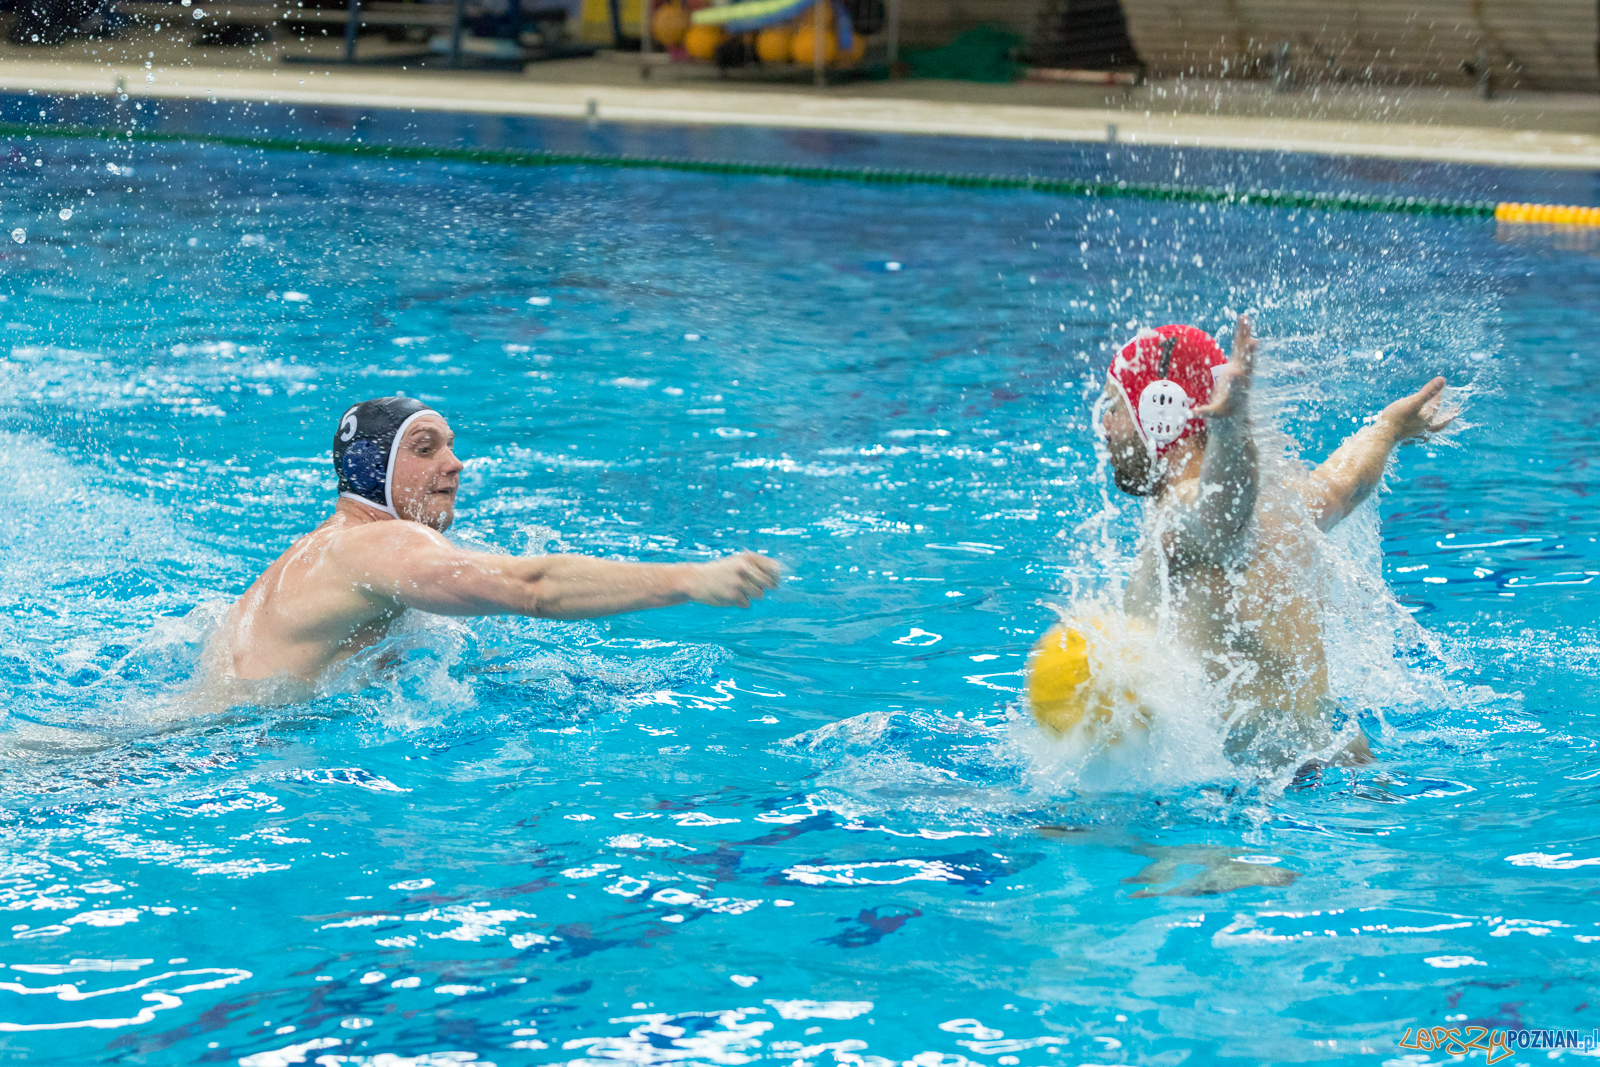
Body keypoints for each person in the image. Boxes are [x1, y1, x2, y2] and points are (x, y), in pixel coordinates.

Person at [1035, 315, 1455, 765]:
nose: (1105, 426)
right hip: (1348, 769)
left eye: (1116, 407)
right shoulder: (1285, 503)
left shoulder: (1182, 517)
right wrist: (1388, 428)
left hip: (1269, 798)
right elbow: (1342, 485)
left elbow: (1222, 515)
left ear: (1160, 414)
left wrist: (1231, 430)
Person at [212, 397, 781, 696]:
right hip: (223, 755)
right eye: (426, 449)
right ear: (373, 469)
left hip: (202, 734)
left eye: (452, 448)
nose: (455, 465)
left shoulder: (312, 553)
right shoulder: (381, 542)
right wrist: (688, 579)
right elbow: (530, 589)